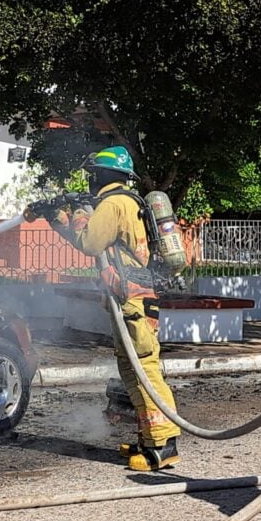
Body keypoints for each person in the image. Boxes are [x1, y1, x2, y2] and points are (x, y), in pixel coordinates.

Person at [41, 145, 181, 471]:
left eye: (93, 175)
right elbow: (92, 240)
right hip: (132, 298)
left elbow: (90, 242)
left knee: (144, 369)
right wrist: (62, 220)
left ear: (103, 175)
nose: (90, 181)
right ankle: (149, 439)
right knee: (132, 370)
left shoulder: (113, 203)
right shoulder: (127, 202)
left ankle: (164, 444)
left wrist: (77, 212)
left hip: (133, 300)